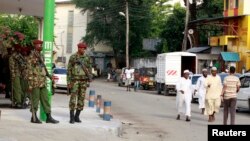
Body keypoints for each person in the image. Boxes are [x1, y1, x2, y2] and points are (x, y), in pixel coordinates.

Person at [27, 39, 59, 124]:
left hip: (42, 81)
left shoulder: (41, 56)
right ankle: (33, 117)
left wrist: (49, 76)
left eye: (41, 45)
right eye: (39, 45)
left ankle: (49, 117)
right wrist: (30, 85)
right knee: (35, 100)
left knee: (45, 99)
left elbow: (43, 68)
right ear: (35, 45)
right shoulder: (31, 56)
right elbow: (29, 70)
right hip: (35, 82)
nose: (40, 46)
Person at [67, 42, 92, 124]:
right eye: (82, 49)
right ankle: (71, 117)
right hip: (75, 80)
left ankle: (77, 116)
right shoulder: (73, 57)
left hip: (84, 81)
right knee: (73, 99)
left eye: (84, 49)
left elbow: (89, 68)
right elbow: (69, 70)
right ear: (79, 48)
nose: (84, 50)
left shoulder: (87, 58)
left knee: (81, 99)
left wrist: (89, 79)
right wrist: (68, 82)